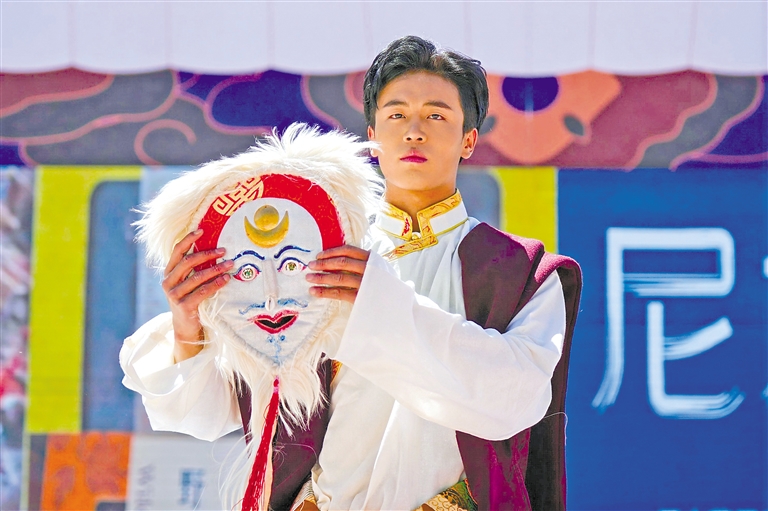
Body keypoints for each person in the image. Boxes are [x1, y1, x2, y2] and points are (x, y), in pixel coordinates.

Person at [121, 35, 581, 511]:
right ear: (373, 136)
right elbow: (219, 410)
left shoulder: (521, 273)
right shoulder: (316, 256)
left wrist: (381, 305)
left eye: (436, 116)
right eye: (397, 115)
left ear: (469, 139)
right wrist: (189, 328)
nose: (414, 131)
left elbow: (514, 400)